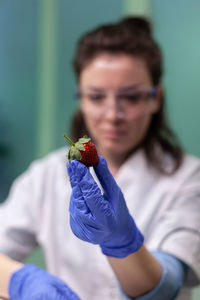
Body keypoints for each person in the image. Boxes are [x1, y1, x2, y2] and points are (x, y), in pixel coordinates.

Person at [0, 16, 200, 300]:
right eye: (96, 97)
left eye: (130, 97)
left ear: (155, 98)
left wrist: (122, 244)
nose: (112, 115)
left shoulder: (189, 178)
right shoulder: (45, 175)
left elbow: (167, 285)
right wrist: (21, 279)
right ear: (81, 99)